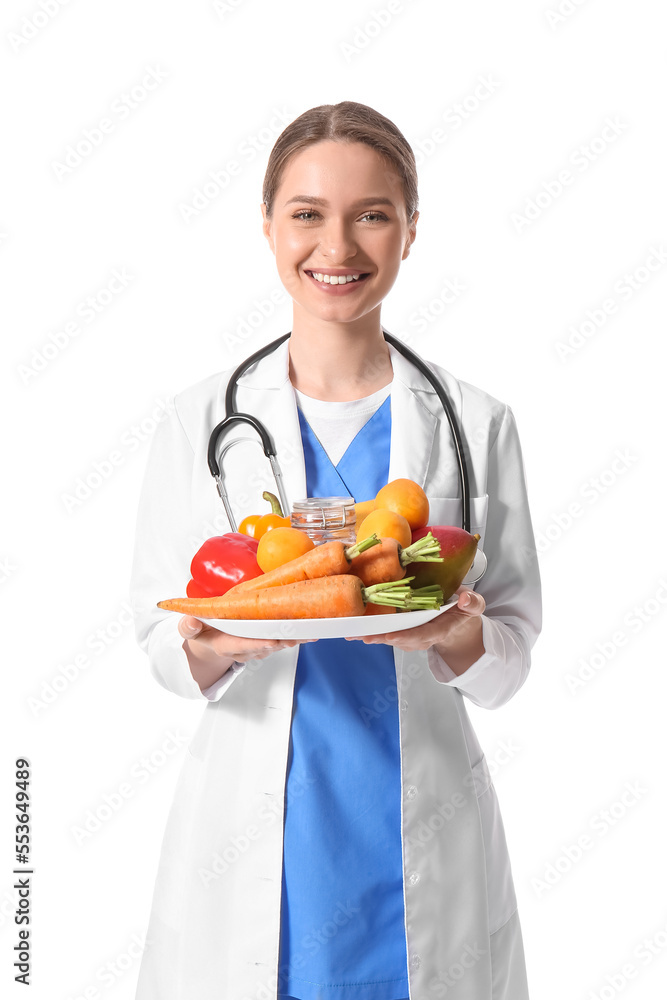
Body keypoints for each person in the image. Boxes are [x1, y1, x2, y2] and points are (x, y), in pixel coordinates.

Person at [129, 101, 542, 1000]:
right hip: (255, 830)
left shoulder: (476, 423)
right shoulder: (201, 420)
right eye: (307, 213)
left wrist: (450, 634)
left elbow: (509, 658)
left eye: (373, 213)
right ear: (269, 226)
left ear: (411, 231)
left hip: (417, 821)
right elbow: (162, 642)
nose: (337, 246)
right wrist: (218, 643)